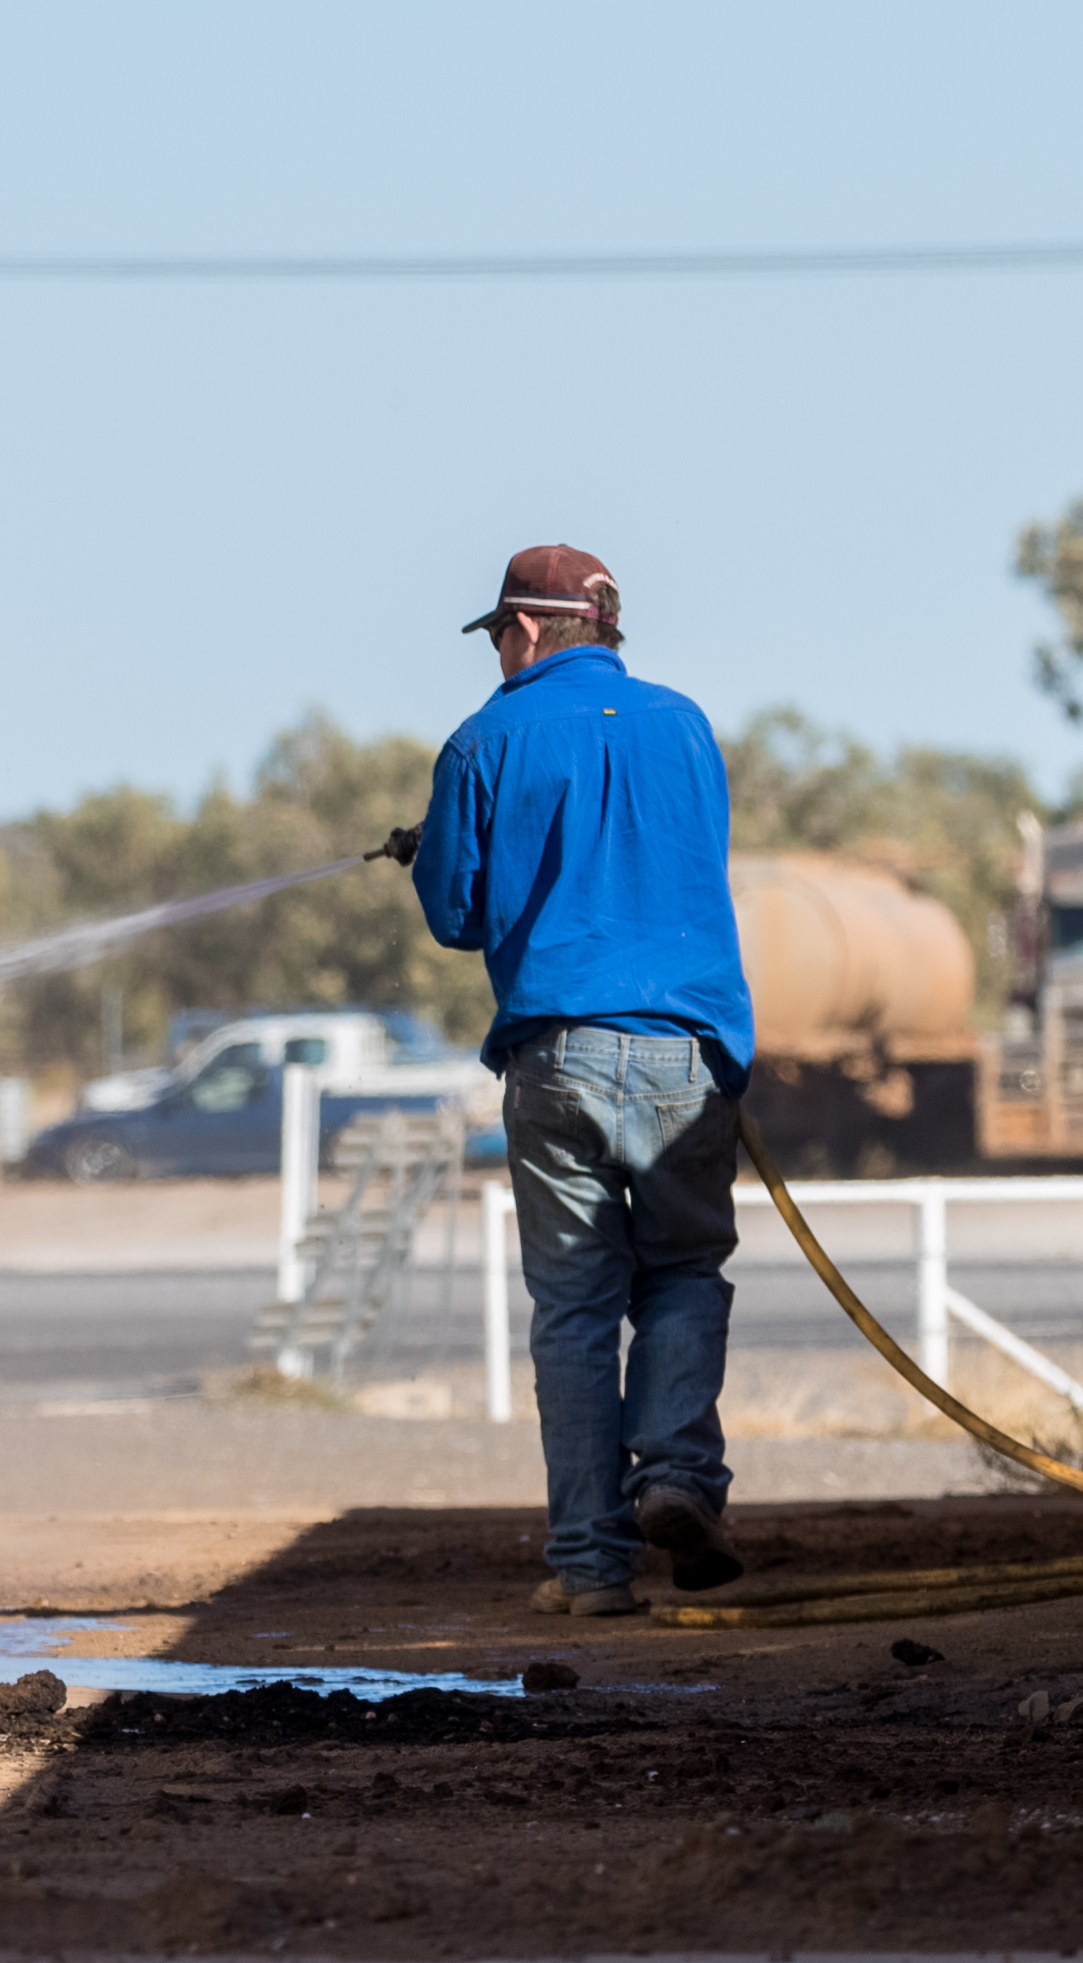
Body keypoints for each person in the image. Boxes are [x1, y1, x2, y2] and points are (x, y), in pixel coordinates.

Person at [382, 546, 756, 1619]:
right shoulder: (683, 724)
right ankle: (678, 1478)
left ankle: (593, 1566)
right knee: (684, 1272)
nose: (497, 654)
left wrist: (442, 847)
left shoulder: (482, 741)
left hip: (559, 1056)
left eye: (498, 635)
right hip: (690, 1047)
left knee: (578, 1307)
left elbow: (459, 917)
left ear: (530, 629)